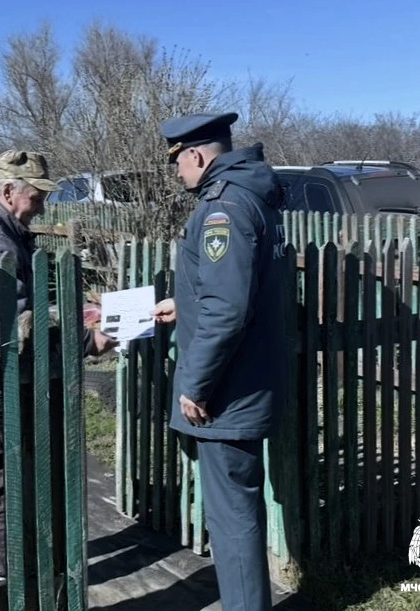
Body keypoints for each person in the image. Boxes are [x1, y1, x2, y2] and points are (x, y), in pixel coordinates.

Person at [0, 149, 116, 583]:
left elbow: (23, 304)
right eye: (36, 196)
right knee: (6, 474)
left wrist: (77, 313)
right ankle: (4, 574)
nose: (42, 206)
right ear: (9, 191)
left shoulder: (0, 230)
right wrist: (89, 340)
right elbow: (15, 319)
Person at [151, 113, 288, 611]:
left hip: (227, 391)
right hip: (248, 377)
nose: (177, 173)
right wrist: (184, 303)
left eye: (178, 163)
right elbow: (238, 288)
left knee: (232, 519)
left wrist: (195, 384)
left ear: (195, 155)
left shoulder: (222, 208)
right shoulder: (250, 195)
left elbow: (228, 309)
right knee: (237, 509)